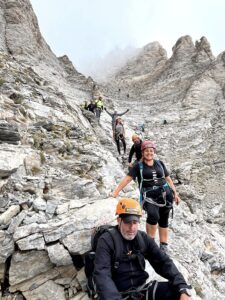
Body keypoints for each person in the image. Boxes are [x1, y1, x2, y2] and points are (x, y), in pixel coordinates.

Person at [94, 198, 192, 300]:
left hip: (140, 292)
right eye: (128, 222)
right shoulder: (106, 240)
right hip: (118, 295)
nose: (132, 228)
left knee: (177, 292)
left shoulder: (142, 238)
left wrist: (182, 286)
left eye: (135, 222)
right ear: (119, 221)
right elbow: (102, 275)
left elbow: (163, 262)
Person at [112, 140, 181, 253]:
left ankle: (163, 245)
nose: (149, 153)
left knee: (164, 220)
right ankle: (150, 243)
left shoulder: (160, 163)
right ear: (143, 152)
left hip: (166, 195)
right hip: (149, 197)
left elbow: (168, 178)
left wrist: (175, 193)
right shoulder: (138, 166)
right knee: (153, 216)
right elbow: (128, 179)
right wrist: (116, 192)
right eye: (147, 151)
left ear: (154, 152)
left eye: (151, 151)